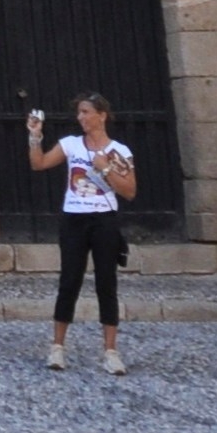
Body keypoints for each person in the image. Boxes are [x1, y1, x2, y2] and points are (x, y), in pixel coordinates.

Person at [27, 95, 136, 374]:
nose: (81, 117)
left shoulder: (118, 150)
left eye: (86, 112)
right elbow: (39, 164)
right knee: (69, 280)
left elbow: (129, 190)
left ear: (102, 115)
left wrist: (106, 168)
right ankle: (57, 347)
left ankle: (110, 351)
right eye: (79, 113)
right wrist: (35, 137)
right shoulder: (71, 144)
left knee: (106, 282)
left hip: (104, 218)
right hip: (74, 218)